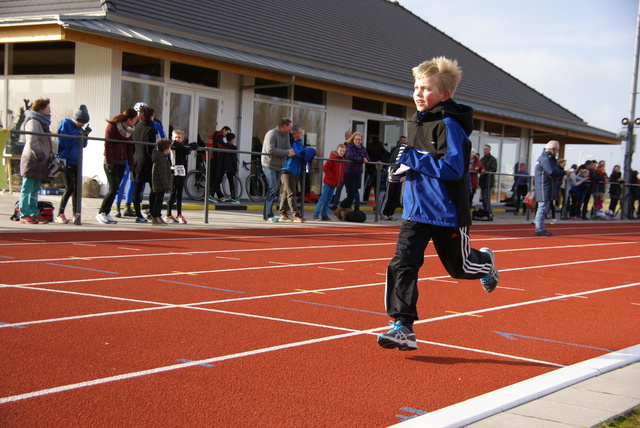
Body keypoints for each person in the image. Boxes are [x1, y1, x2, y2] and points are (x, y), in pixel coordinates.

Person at [377, 57, 499, 352]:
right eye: (416, 87)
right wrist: (400, 172)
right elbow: (421, 164)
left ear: (444, 94)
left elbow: (453, 169)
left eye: (426, 88)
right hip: (416, 212)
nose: (419, 93)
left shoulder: (449, 126)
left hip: (446, 213)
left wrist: (411, 158)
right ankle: (403, 325)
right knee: (403, 263)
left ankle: (485, 264)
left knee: (460, 269)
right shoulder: (419, 123)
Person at [96, 108, 137, 224]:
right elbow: (108, 144)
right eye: (134, 119)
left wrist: (131, 163)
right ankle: (101, 212)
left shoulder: (129, 130)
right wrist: (109, 161)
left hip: (122, 162)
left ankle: (106, 212)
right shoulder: (113, 126)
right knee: (114, 188)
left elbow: (129, 147)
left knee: (116, 189)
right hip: (112, 161)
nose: (135, 122)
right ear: (129, 119)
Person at [18, 98, 53, 224]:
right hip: (32, 160)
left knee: (35, 188)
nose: (50, 111)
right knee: (27, 187)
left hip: (41, 161)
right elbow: (32, 139)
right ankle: (24, 214)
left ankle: (33, 212)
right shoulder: (33, 121)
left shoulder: (42, 122)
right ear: (41, 109)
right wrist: (40, 154)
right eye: (48, 108)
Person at [55, 105, 91, 224]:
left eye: (84, 123)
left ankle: (76, 213)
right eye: (81, 122)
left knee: (77, 189)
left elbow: (84, 145)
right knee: (69, 187)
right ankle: (60, 213)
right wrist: (77, 135)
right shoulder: (65, 123)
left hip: (77, 160)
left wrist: (84, 136)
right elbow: (63, 141)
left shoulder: (80, 128)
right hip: (66, 160)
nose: (81, 125)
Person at [261, 117, 294, 222]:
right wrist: (286, 153)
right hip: (269, 164)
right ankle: (269, 214)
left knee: (273, 189)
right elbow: (270, 149)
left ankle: (266, 215)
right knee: (273, 188)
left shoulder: (286, 135)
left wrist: (290, 152)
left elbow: (287, 147)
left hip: (279, 165)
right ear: (284, 126)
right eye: (289, 127)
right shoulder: (271, 134)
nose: (290, 130)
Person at [533, 140, 567, 236]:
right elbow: (551, 171)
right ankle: (539, 228)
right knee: (543, 208)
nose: (556, 153)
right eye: (556, 150)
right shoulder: (546, 159)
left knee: (544, 207)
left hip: (545, 185)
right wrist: (564, 172)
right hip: (545, 186)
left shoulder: (545, 158)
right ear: (552, 149)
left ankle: (540, 227)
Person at [131, 106, 157, 223]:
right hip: (147, 161)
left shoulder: (136, 127)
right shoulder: (151, 129)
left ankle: (138, 214)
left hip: (136, 159)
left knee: (137, 187)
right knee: (154, 188)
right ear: (151, 116)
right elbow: (149, 148)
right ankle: (151, 212)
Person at [335, 132, 369, 220]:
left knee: (354, 193)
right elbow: (349, 157)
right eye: (356, 139)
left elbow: (367, 157)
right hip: (349, 173)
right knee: (351, 194)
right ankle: (340, 207)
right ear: (353, 139)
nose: (358, 141)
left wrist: (365, 159)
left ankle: (346, 211)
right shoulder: (349, 147)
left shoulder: (363, 149)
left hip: (358, 173)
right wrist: (361, 159)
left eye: (360, 139)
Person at [165, 129, 197, 223]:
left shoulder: (183, 146)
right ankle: (168, 214)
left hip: (181, 171)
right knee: (173, 193)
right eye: (176, 137)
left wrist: (190, 146)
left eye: (179, 137)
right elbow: (185, 149)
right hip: (173, 171)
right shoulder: (172, 145)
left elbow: (192, 146)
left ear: (182, 139)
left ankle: (179, 214)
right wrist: (188, 147)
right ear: (172, 138)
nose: (177, 139)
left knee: (179, 194)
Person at [278, 124, 306, 222]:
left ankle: (282, 213)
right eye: (300, 132)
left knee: (287, 192)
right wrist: (303, 153)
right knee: (291, 193)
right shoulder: (288, 141)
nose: (301, 134)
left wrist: (305, 152)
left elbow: (301, 151)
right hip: (287, 169)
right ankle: (296, 215)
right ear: (295, 133)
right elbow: (292, 152)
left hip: (295, 169)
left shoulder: (299, 142)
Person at [314, 143, 346, 220]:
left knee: (329, 199)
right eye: (341, 150)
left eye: (343, 151)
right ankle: (316, 213)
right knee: (323, 197)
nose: (342, 152)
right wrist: (331, 176)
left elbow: (341, 172)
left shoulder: (342, 160)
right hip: (329, 181)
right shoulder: (332, 158)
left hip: (334, 182)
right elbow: (325, 168)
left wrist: (340, 179)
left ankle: (324, 214)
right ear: (337, 150)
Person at [379, 137, 407, 221]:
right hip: (393, 174)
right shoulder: (400, 150)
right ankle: (383, 212)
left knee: (395, 195)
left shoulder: (406, 150)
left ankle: (390, 213)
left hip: (400, 175)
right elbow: (397, 162)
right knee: (388, 194)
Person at [150, 138, 173, 225]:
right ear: (165, 148)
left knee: (159, 200)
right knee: (158, 201)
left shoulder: (162, 158)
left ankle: (158, 216)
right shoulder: (162, 160)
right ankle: (155, 217)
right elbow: (163, 175)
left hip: (159, 184)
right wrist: (166, 186)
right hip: (160, 184)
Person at [208, 126, 232, 203]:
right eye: (227, 133)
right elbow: (220, 143)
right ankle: (210, 195)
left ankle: (220, 195)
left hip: (211, 156)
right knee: (216, 177)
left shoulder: (216, 134)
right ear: (224, 130)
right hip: (213, 157)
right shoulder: (219, 134)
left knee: (215, 177)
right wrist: (230, 146)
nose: (226, 136)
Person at [329, 130, 352, 211]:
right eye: (345, 135)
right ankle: (335, 205)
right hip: (342, 170)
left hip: (349, 171)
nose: (346, 137)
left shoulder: (352, 146)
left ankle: (355, 206)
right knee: (338, 189)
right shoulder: (345, 145)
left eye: (348, 136)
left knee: (352, 191)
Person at [218, 132, 239, 203]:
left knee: (218, 181)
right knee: (231, 183)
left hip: (223, 166)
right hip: (230, 167)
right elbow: (234, 159)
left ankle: (211, 194)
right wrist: (235, 168)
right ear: (232, 139)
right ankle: (233, 197)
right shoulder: (233, 147)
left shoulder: (224, 146)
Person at [479, 144, 497, 213]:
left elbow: (494, 169)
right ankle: (485, 210)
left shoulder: (493, 159)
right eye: (484, 149)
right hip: (482, 181)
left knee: (486, 197)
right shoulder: (482, 159)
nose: (484, 151)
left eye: (486, 149)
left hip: (489, 181)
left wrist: (485, 171)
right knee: (483, 198)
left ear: (489, 150)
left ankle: (488, 210)